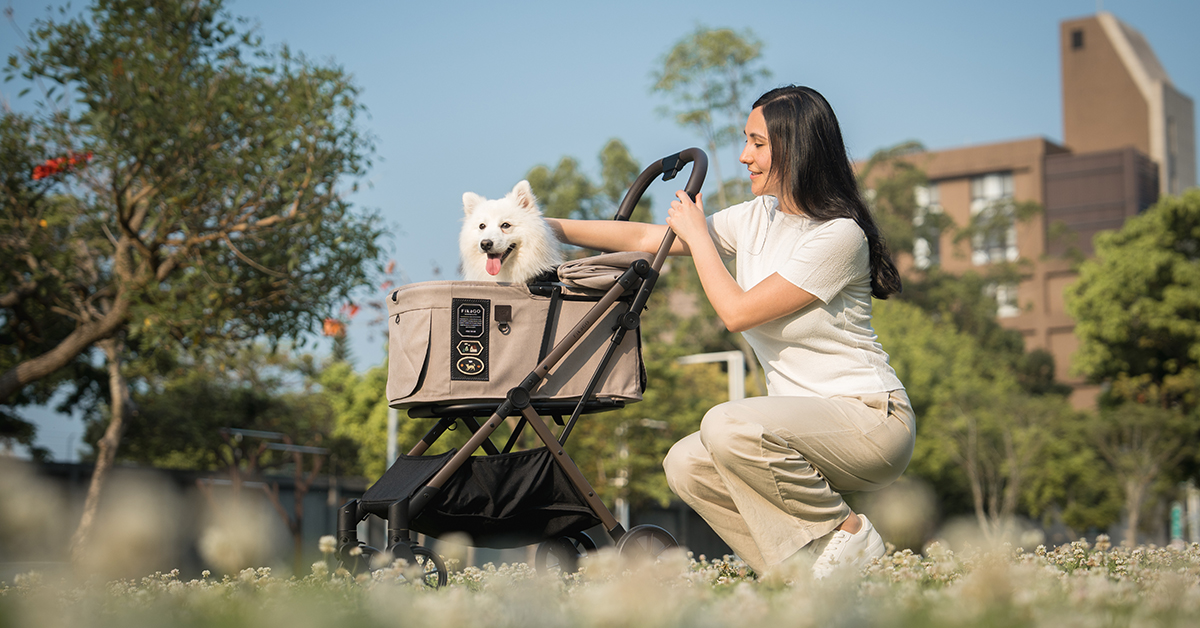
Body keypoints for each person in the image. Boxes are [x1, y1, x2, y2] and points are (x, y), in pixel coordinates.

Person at [546, 85, 915, 579]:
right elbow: (644, 238)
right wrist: (540, 227)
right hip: (805, 425)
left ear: (797, 147)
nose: (744, 156)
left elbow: (737, 313)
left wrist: (699, 236)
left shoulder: (840, 236)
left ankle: (846, 533)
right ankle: (793, 573)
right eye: (747, 141)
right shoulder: (758, 217)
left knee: (726, 424)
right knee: (687, 462)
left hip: (871, 421)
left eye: (757, 143)